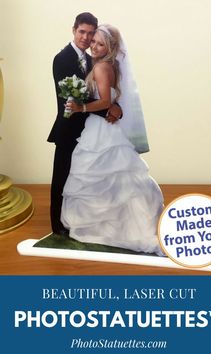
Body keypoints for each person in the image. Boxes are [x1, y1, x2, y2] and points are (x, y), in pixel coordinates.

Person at [61, 24, 164, 255]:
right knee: (109, 179)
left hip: (101, 128)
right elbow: (113, 101)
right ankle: (111, 222)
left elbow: (106, 101)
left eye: (100, 44)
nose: (94, 47)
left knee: (100, 174)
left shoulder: (101, 68)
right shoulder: (110, 65)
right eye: (93, 42)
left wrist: (81, 107)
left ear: (110, 48)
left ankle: (106, 226)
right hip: (106, 126)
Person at [47, 13, 122, 235]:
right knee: (61, 174)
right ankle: (56, 223)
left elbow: (101, 90)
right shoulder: (61, 59)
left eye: (91, 33)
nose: (86, 37)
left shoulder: (93, 60)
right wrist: (109, 108)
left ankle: (83, 218)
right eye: (82, 32)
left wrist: (117, 107)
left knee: (84, 177)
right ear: (74, 30)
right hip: (68, 128)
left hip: (90, 130)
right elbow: (70, 100)